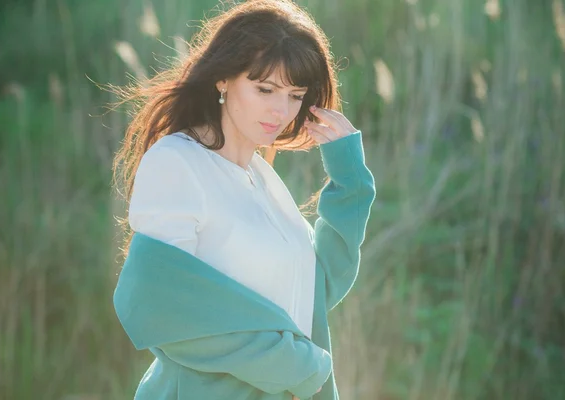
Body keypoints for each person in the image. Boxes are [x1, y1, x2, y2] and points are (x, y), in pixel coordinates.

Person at [111, 1, 376, 399]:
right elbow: (157, 304)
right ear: (223, 79)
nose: (280, 110)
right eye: (265, 89)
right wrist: (300, 367)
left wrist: (351, 181)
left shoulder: (262, 179)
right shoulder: (176, 162)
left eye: (295, 94)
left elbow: (314, 294)